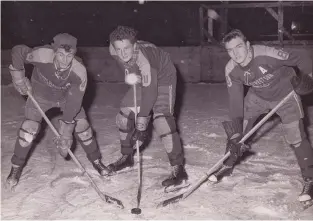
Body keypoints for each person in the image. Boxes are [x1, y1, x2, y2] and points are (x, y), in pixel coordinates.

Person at [214, 29, 313, 203]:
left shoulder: (267, 54)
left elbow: (302, 58)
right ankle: (227, 165)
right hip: (258, 97)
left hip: (285, 94)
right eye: (230, 50)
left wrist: (308, 78)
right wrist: (237, 132)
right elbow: (236, 103)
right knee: (238, 133)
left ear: (247, 45)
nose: (235, 53)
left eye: (239, 47)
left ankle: (310, 178)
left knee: (296, 137)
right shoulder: (231, 69)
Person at [6, 33, 111, 190]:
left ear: (74, 54)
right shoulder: (42, 55)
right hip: (40, 96)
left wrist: (66, 133)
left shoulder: (79, 71)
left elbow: (74, 102)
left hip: (66, 99)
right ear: (54, 51)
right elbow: (18, 51)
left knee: (84, 128)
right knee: (29, 130)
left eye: (69, 56)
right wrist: (19, 76)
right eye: (60, 55)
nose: (64, 60)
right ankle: (16, 168)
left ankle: (97, 161)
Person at [107, 25, 188, 190]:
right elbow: (127, 66)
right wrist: (131, 75)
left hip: (164, 78)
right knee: (123, 118)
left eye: (127, 48)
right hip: (144, 77)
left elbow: (151, 92)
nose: (122, 54)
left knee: (162, 121)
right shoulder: (113, 50)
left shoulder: (145, 59)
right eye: (119, 49)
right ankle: (127, 156)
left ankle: (178, 169)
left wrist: (142, 124)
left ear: (135, 46)